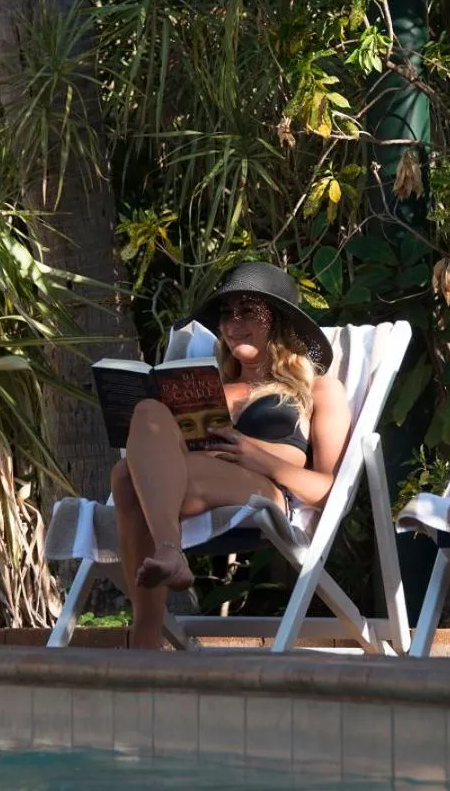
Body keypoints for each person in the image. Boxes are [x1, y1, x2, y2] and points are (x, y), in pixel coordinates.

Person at [109, 261, 352, 650]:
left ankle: (146, 634)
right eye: (226, 313)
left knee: (126, 479)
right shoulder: (205, 386)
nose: (233, 322)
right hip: (188, 484)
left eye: (247, 311)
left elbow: (328, 490)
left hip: (264, 492)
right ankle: (165, 574)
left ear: (278, 322)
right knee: (143, 426)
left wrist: (256, 455)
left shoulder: (320, 390)